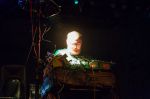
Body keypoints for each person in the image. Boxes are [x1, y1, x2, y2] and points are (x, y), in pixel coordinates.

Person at [40, 31, 113, 99]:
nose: (76, 46)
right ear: (67, 42)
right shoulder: (60, 53)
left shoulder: (86, 58)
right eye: (73, 43)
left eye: (78, 43)